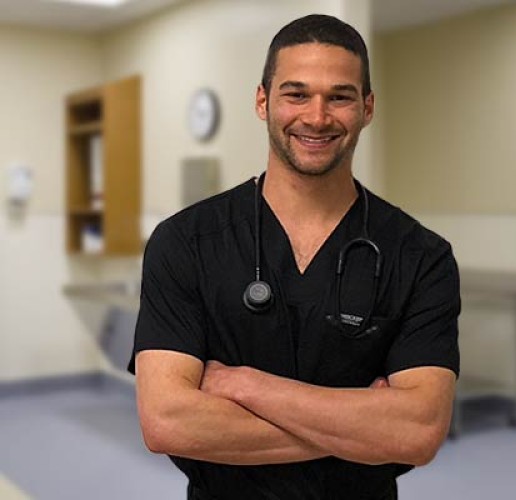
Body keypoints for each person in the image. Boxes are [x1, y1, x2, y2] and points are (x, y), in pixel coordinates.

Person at [129, 13, 460, 500]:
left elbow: (417, 432)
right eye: (296, 93)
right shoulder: (186, 242)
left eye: (340, 96)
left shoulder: (420, 256)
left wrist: (245, 386)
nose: (317, 116)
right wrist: (361, 427)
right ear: (263, 101)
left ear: (367, 107)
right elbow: (166, 422)